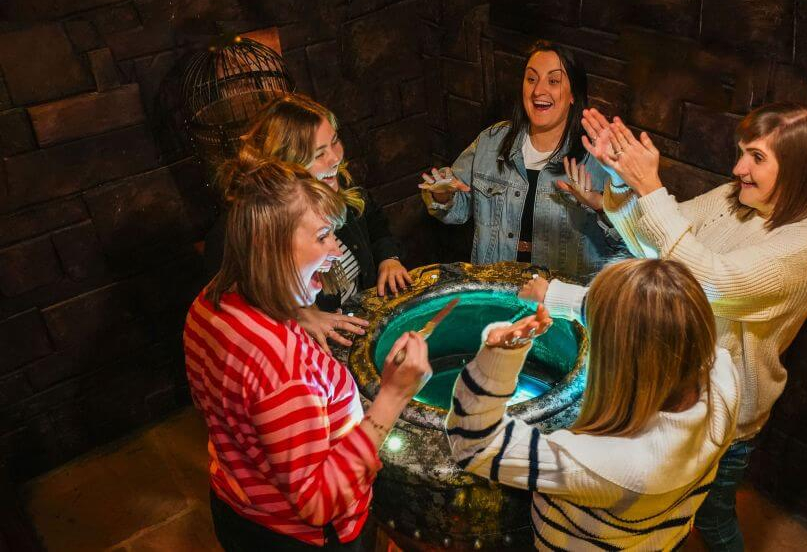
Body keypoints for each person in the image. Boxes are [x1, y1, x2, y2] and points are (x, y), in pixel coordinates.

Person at [524, 102, 807, 551]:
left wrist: (651, 187)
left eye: (756, 158)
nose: (738, 168)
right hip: (668, 390)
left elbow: (707, 282)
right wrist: (621, 178)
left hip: (723, 417)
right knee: (660, 522)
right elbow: (654, 245)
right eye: (741, 152)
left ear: (800, 169)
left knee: (711, 522)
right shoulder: (734, 197)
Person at [184, 155, 431, 551]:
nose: (335, 249)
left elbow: (214, 407)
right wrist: (392, 396)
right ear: (270, 246)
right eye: (321, 237)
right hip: (308, 538)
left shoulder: (208, 302)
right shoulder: (284, 366)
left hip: (238, 507)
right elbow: (319, 502)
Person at [446, 258, 739, 550]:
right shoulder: (724, 377)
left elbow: (475, 446)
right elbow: (654, 325)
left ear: (618, 364)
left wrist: (498, 356)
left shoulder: (603, 464)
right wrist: (556, 297)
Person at [204, 93, 412, 351]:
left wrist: (388, 257)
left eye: (335, 141)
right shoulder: (240, 232)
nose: (335, 159)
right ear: (284, 166)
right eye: (319, 154)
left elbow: (374, 219)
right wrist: (299, 316)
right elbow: (241, 316)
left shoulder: (334, 181)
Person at [419, 40, 628, 281]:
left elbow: (631, 244)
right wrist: (442, 195)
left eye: (553, 81)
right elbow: (456, 210)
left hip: (559, 305)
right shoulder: (491, 141)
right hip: (494, 293)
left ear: (573, 95)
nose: (539, 90)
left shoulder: (598, 157)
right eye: (531, 79)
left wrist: (599, 204)